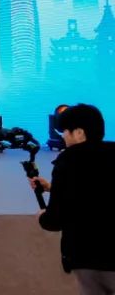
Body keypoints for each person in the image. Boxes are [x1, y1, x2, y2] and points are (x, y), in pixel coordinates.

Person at [31, 104, 115, 294]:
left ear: (79, 133)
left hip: (88, 257)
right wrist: (52, 188)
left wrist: (43, 216)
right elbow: (98, 192)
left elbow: (55, 220)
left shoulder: (68, 161)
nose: (63, 136)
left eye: (65, 131)